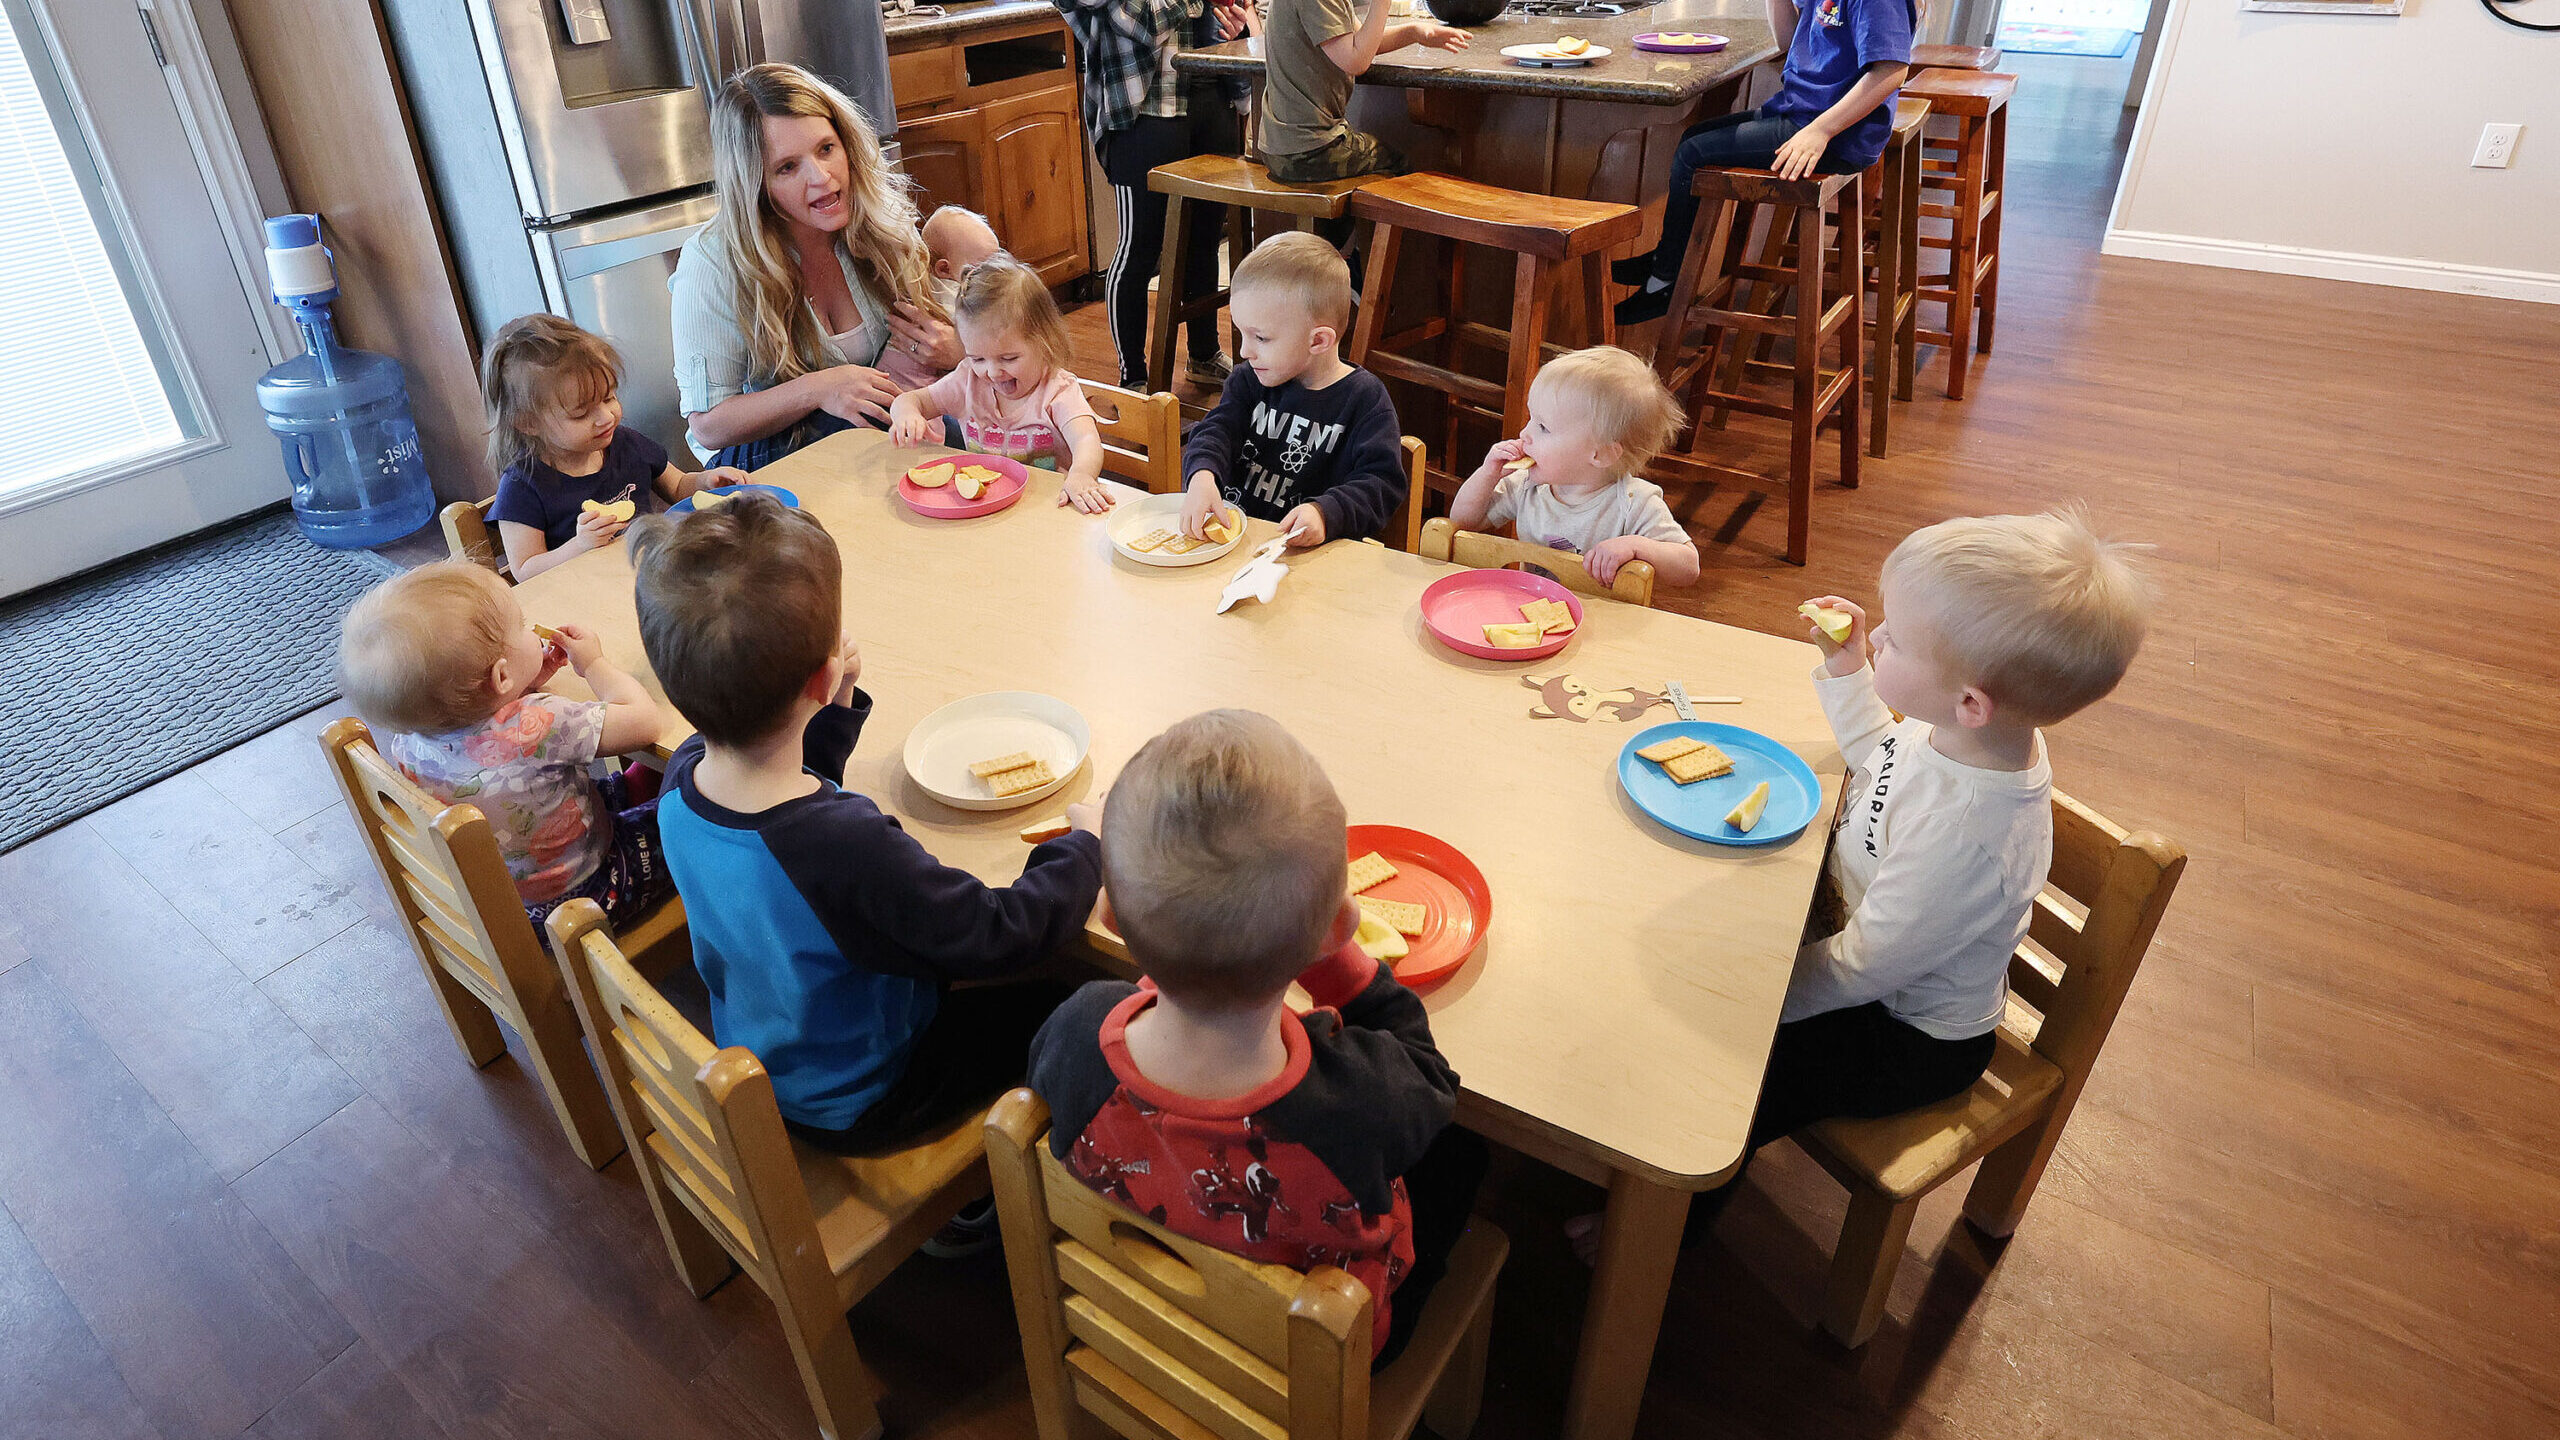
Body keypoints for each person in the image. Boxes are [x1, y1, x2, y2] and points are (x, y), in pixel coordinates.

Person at [1567, 510, 2151, 1259]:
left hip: (1907, 1034)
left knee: (1740, 1086)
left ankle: (1654, 1245)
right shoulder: (1958, 735)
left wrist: (1751, 1006)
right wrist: (1848, 672)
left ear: (1971, 701)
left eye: (1895, 639)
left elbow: (1866, 968)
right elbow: (1882, 759)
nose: (1876, 636)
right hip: (1850, 951)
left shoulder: (1968, 833)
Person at [628, 494, 1102, 1246]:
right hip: (870, 1092)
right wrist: (1084, 848)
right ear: (819, 675)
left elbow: (781, 809)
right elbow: (999, 933)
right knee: (1073, 1002)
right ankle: (994, 1210)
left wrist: (833, 710)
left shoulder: (682, 778)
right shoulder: (843, 844)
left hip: (768, 1053)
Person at [1028, 709, 1484, 1364]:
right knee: (1465, 1157)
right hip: (1315, 1366)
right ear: (1338, 927)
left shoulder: (1077, 1028)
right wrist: (1344, 968)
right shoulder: (1362, 1101)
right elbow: (1432, 1079)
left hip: (1134, 1319)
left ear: (1109, 919)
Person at [334, 561, 670, 930]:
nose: (529, 629)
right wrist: (593, 664)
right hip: (588, 897)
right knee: (692, 811)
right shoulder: (541, 723)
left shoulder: (410, 741)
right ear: (501, 676)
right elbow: (645, 723)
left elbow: (495, 749)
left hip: (514, 906)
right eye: (522, 626)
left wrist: (526, 682)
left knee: (631, 784)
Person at [669, 63, 960, 471]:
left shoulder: (879, 221)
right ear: (756, 184)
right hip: (769, 461)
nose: (823, 178)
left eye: (826, 149)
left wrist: (957, 350)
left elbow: (960, 332)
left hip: (878, 434)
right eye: (787, 168)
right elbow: (709, 427)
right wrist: (818, 389)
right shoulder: (713, 262)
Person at [1613, 0, 1914, 325]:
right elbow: (1787, 41)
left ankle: (1665, 282)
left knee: (1692, 154)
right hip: (1802, 115)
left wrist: (1821, 131)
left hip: (1835, 134)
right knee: (1692, 140)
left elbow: (1891, 70)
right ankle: (1666, 259)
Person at [1053, 0, 1254, 390]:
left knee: (1205, 237)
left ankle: (1203, 354)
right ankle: (1134, 377)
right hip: (1144, 108)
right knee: (1139, 246)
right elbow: (1140, 21)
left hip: (1213, 90)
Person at [1177, 232, 1406, 548]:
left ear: (1318, 341)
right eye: (1242, 333)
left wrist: (1325, 513)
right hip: (1237, 544)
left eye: (1261, 338)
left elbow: (1381, 484)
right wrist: (1202, 476)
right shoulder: (1248, 381)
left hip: (1314, 559)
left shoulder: (1365, 400)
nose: (1244, 351)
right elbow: (1216, 431)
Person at [477, 315, 747, 582]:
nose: (606, 417)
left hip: (650, 577)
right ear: (528, 423)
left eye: (609, 398)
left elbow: (677, 488)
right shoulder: (522, 485)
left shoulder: (626, 443)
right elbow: (525, 569)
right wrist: (580, 545)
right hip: (586, 597)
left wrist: (705, 481)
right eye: (581, 413)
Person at [1449, 346, 1701, 588]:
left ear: (1600, 454)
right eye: (1531, 419)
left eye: (1543, 427)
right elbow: (1462, 521)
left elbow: (1689, 567)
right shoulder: (1528, 485)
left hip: (1606, 620)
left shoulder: (1634, 502)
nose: (1524, 433)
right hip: (1537, 611)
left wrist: (1637, 546)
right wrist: (1487, 474)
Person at [886, 254, 1116, 514]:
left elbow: (1086, 438)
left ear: (1045, 342)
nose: (993, 372)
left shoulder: (1057, 390)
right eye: (978, 358)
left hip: (1049, 511)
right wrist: (906, 414)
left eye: (1008, 358)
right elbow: (911, 400)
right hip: (985, 513)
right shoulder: (967, 381)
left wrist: (1082, 475)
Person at [1258, 0, 1468, 184]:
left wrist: (1414, 33)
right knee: (1400, 165)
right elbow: (1356, 61)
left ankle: (1335, 229)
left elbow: (1361, 41)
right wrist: (1382, 3)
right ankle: (1341, 230)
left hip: (1286, 145)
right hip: (1308, 148)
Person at [919, 205, 1003, 313]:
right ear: (944, 269)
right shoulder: (952, 301)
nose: (996, 272)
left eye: (998, 261)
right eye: (983, 267)